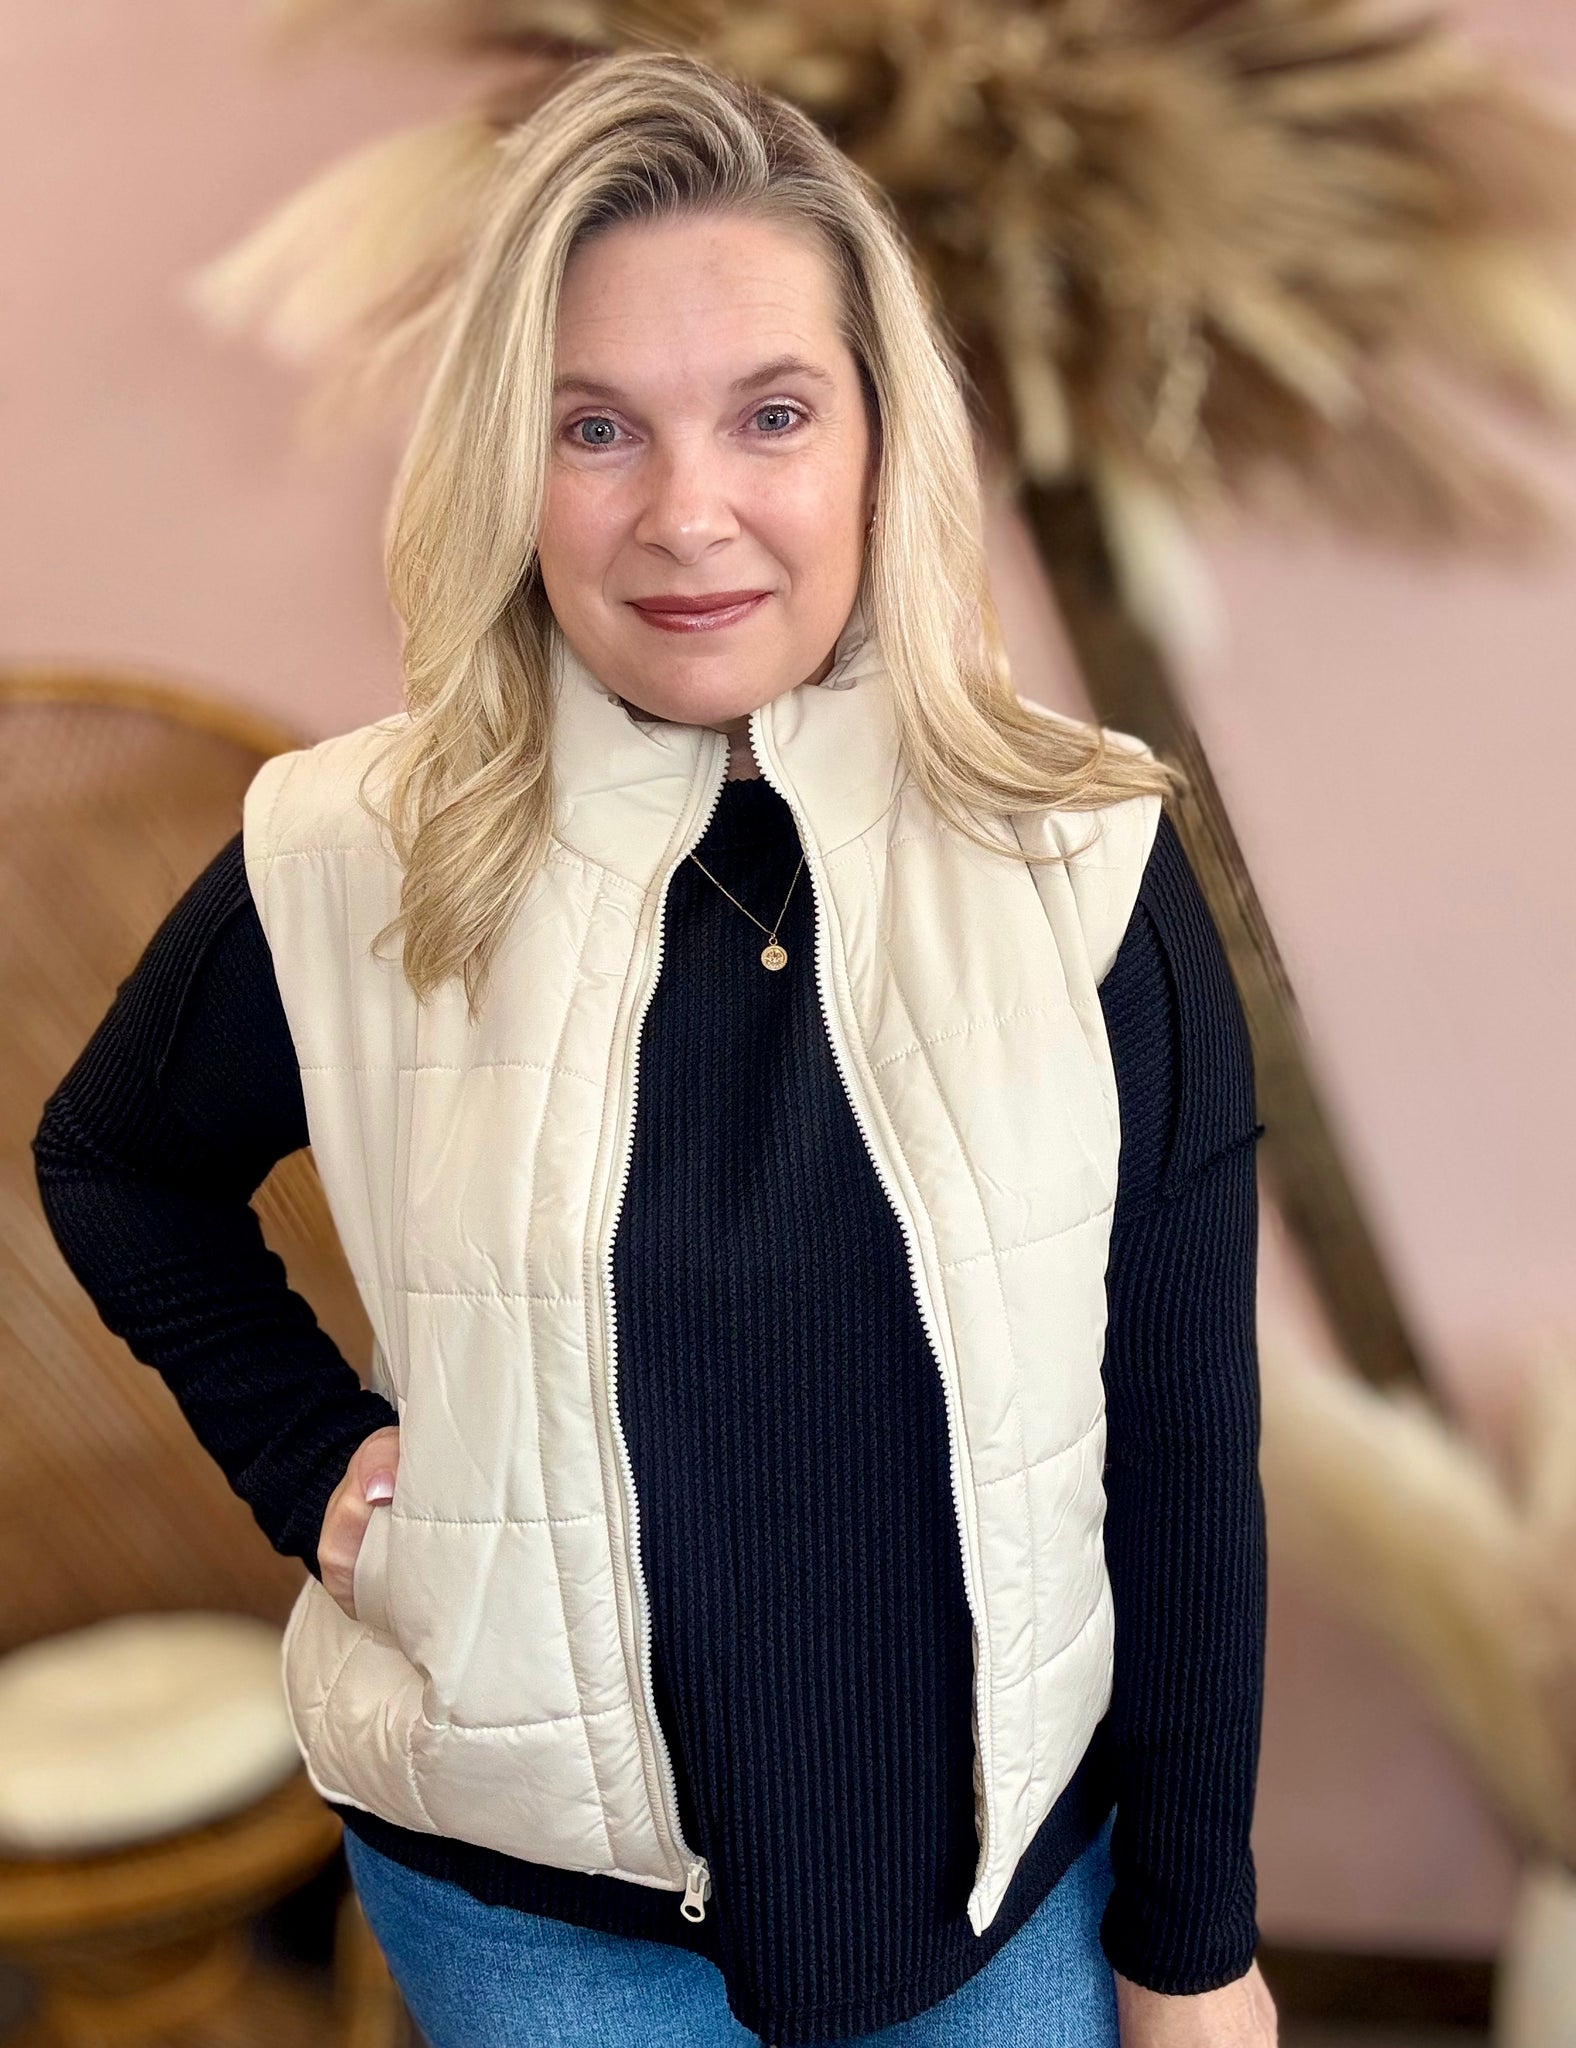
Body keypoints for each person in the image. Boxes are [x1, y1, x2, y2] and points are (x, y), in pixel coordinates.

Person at [32, 47, 1277, 2048]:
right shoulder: (353, 852)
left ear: (882, 440)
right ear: (501, 466)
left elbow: (1185, 1458)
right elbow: (111, 1163)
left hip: (1003, 1906)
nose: (685, 512)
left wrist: (1193, 1942)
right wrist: (309, 1449)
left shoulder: (1087, 860)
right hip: (536, 1930)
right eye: (592, 426)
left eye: (768, 414)